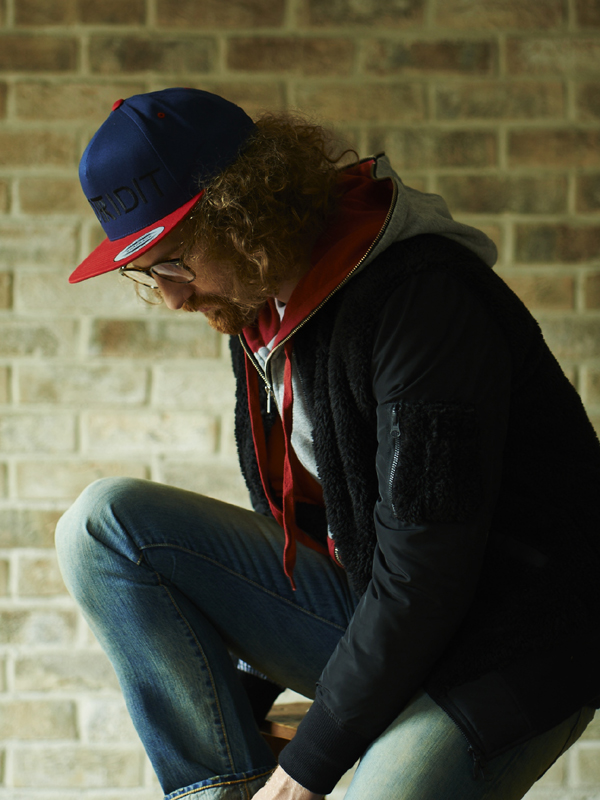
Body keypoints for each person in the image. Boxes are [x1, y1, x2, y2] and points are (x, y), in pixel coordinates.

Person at [55, 88, 600, 800]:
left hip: (512, 645)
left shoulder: (425, 301)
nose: (172, 297)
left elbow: (425, 576)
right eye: (146, 271)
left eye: (174, 262)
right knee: (101, 525)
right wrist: (239, 727)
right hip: (384, 612)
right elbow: (307, 539)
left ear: (243, 212)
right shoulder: (259, 311)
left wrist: (303, 771)